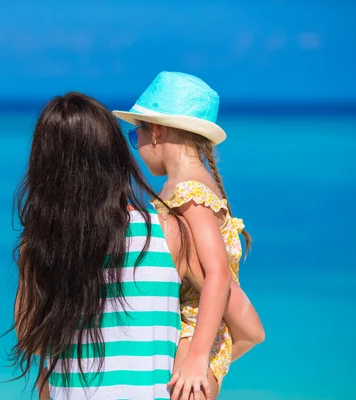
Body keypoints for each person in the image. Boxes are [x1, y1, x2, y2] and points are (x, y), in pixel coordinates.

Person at [114, 71, 265, 399]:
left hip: (195, 334)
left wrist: (197, 356)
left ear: (155, 131)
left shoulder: (187, 192)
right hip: (208, 334)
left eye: (134, 134)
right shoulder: (194, 186)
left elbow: (217, 273)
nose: (136, 145)